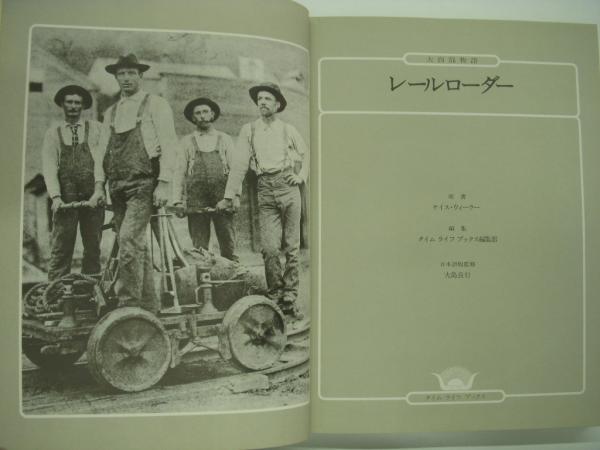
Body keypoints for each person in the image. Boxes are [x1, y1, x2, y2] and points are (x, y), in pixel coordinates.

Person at [217, 82, 308, 318]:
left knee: (292, 247)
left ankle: (290, 297)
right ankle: (275, 295)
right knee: (269, 248)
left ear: (277, 104)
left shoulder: (288, 129)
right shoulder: (249, 130)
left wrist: (300, 176)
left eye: (268, 98)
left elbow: (306, 153)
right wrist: (229, 196)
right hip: (265, 188)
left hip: (288, 187)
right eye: (259, 99)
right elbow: (239, 164)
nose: (263, 102)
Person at [95, 54, 178, 313]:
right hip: (116, 186)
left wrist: (164, 183)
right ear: (116, 77)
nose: (126, 78)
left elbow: (169, 145)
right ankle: (149, 307)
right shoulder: (110, 112)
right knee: (133, 245)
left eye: (131, 73)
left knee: (128, 240)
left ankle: (128, 306)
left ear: (140, 75)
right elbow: (101, 152)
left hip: (143, 183)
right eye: (121, 74)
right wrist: (99, 186)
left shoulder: (156, 104)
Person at [42, 85, 105, 281]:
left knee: (93, 245)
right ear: (62, 104)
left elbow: (102, 161)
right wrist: (56, 197)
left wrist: (99, 190)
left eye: (77, 103)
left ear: (83, 106)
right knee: (62, 245)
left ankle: (89, 289)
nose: (73, 106)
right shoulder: (53, 133)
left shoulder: (96, 129)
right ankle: (55, 292)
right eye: (69, 102)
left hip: (92, 195)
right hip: (65, 197)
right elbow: (49, 167)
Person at [173, 97, 239, 261]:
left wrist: (235, 196)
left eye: (205, 112)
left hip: (223, 197)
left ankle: (232, 275)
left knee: (228, 243)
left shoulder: (224, 139)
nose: (202, 116)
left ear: (212, 114)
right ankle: (204, 277)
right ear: (193, 117)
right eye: (198, 113)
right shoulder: (186, 142)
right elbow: (179, 172)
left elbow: (235, 170)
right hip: (197, 199)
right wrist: (177, 201)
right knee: (200, 248)